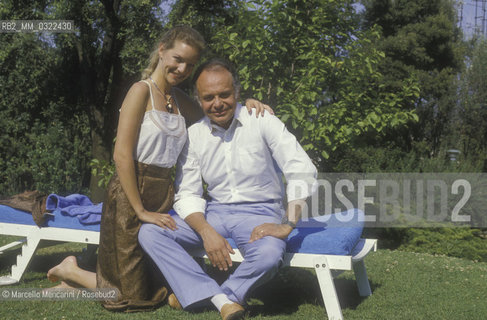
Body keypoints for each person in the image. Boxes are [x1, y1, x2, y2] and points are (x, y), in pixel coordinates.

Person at [46, 26, 271, 312]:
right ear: (162, 50)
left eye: (190, 64)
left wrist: (246, 105)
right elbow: (122, 156)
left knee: (150, 278)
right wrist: (139, 211)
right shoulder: (140, 91)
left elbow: (217, 108)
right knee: (130, 294)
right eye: (178, 59)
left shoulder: (178, 100)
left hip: (163, 197)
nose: (182, 68)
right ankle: (71, 272)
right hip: (132, 195)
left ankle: (81, 276)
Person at [138, 58, 318, 320]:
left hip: (260, 212)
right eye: (208, 97)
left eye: (224, 94)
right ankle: (222, 299)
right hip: (215, 212)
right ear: (199, 100)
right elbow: (187, 193)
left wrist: (287, 225)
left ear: (237, 92)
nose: (217, 103)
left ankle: (212, 295)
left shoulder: (261, 119)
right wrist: (206, 231)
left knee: (269, 254)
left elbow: (301, 167)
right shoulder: (195, 135)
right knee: (151, 232)